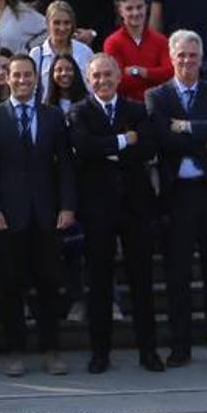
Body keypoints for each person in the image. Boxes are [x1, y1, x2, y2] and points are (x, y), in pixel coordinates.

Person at [146, 29, 207, 368]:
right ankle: (180, 346)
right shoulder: (157, 97)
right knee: (177, 275)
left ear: (202, 59)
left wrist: (187, 128)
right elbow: (163, 139)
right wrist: (206, 136)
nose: (187, 61)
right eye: (181, 56)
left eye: (193, 56)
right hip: (178, 196)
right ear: (171, 58)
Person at [0, 53, 77, 377]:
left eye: (27, 76)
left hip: (47, 215)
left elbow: (64, 165)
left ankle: (51, 350)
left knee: (49, 285)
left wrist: (66, 206)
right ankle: (15, 351)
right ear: (6, 78)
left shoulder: (51, 117)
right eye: (16, 75)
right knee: (10, 286)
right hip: (8, 216)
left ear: (37, 79)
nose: (22, 80)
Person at [69, 53, 163, 374]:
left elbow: (149, 146)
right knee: (98, 283)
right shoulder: (79, 112)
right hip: (97, 208)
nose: (103, 81)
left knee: (142, 280)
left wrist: (106, 147)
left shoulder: (136, 110)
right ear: (87, 79)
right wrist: (124, 140)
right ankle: (100, 353)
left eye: (108, 75)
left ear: (119, 77)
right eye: (96, 76)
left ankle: (148, 352)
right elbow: (84, 146)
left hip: (135, 206)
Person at [103, 0, 172, 102]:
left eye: (139, 7)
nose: (135, 13)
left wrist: (141, 72)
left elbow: (170, 74)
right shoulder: (112, 43)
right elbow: (116, 82)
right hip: (126, 107)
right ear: (121, 11)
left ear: (146, 8)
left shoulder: (161, 41)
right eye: (129, 9)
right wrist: (154, 76)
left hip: (159, 105)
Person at [29, 1, 93, 102]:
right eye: (57, 23)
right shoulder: (37, 54)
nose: (62, 28)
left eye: (66, 23)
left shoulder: (85, 52)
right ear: (47, 24)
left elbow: (91, 88)